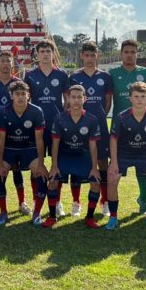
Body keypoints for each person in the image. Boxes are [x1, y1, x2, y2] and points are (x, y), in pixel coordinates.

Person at [106, 82, 146, 231]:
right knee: (112, 180)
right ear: (130, 98)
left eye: (143, 96)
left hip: (144, 152)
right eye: (136, 96)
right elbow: (113, 139)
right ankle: (113, 217)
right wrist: (113, 162)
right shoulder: (122, 117)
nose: (139, 99)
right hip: (123, 153)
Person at [108, 39, 146, 214]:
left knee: (143, 168)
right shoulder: (112, 73)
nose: (129, 55)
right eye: (126, 51)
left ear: (137, 54)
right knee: (116, 168)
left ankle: (143, 199)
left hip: (142, 129)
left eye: (133, 52)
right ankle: (111, 205)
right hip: (119, 129)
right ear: (121, 54)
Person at [45, 85, 101, 228]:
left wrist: (94, 168)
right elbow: (55, 144)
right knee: (52, 182)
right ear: (68, 99)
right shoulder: (60, 118)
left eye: (79, 97)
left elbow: (93, 146)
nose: (76, 100)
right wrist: (54, 166)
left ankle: (89, 217)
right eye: (73, 97)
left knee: (95, 182)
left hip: (82, 156)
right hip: (64, 156)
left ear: (85, 99)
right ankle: (52, 217)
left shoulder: (92, 119)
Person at [24, 40, 69, 217]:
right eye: (41, 51)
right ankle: (38, 199)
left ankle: (57, 201)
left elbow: (67, 100)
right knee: (36, 165)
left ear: (53, 53)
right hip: (37, 128)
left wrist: (62, 120)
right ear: (37, 54)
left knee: (59, 165)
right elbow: (27, 101)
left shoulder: (63, 74)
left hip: (57, 127)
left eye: (48, 51)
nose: (45, 54)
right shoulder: (30, 75)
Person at [0, 80, 48, 226]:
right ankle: (3, 212)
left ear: (28, 95)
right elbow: (0, 140)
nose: (20, 97)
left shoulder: (36, 111)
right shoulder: (3, 111)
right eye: (17, 94)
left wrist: (42, 164)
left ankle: (36, 213)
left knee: (42, 175)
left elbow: (39, 140)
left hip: (29, 150)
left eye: (23, 94)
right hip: (9, 149)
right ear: (11, 96)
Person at [68, 41, 113, 216]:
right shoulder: (74, 77)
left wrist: (99, 116)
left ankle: (105, 201)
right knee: (77, 161)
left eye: (92, 55)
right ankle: (76, 202)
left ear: (97, 56)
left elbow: (108, 103)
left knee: (102, 162)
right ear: (81, 56)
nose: (89, 58)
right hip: (78, 125)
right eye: (86, 55)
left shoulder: (105, 77)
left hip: (100, 125)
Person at [0, 51, 31, 215]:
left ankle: (22, 202)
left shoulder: (18, 83)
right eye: (2, 61)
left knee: (16, 167)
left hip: (14, 132)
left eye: (8, 61)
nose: (5, 64)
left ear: (12, 64)